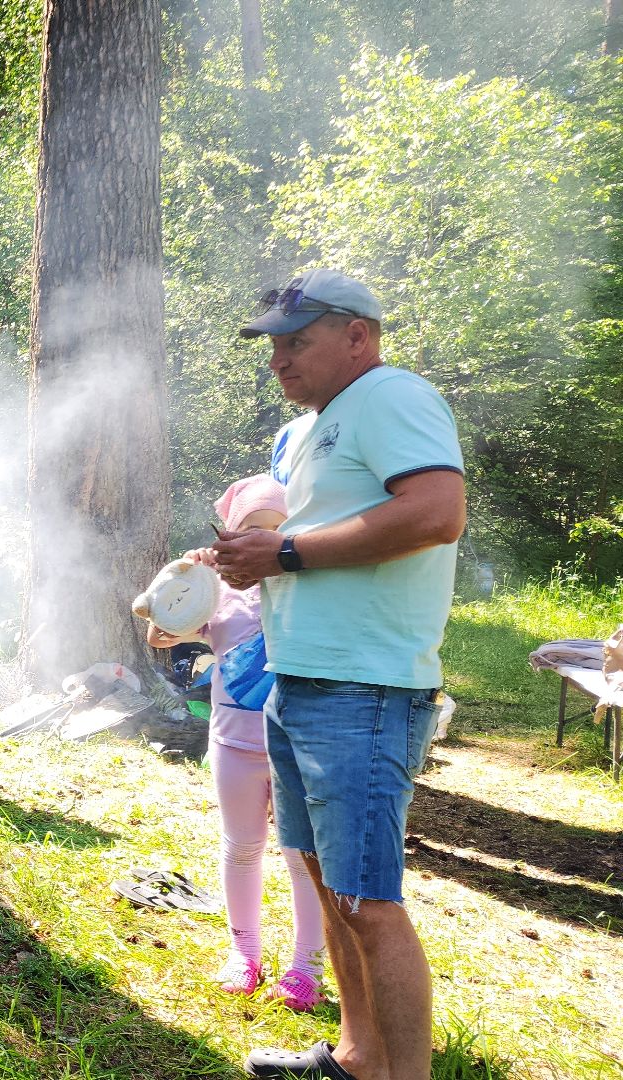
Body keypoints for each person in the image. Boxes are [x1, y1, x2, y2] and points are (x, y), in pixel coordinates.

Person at [215, 269, 466, 1080]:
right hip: (304, 679)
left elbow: (435, 512)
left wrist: (283, 551)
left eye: (298, 341)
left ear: (357, 334)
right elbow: (319, 542)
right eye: (273, 346)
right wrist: (254, 560)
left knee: (367, 899)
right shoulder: (318, 426)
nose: (279, 360)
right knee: (329, 885)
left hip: (365, 686)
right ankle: (358, 1059)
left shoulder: (392, 395)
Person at [145, 475, 326, 1011]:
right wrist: (187, 576)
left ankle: (306, 966)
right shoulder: (218, 590)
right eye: (250, 530)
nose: (261, 542)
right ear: (229, 535)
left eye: (277, 530)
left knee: (302, 857)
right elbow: (159, 635)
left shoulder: (308, 588)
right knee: (242, 847)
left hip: (295, 748)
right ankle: (244, 953)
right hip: (233, 747)